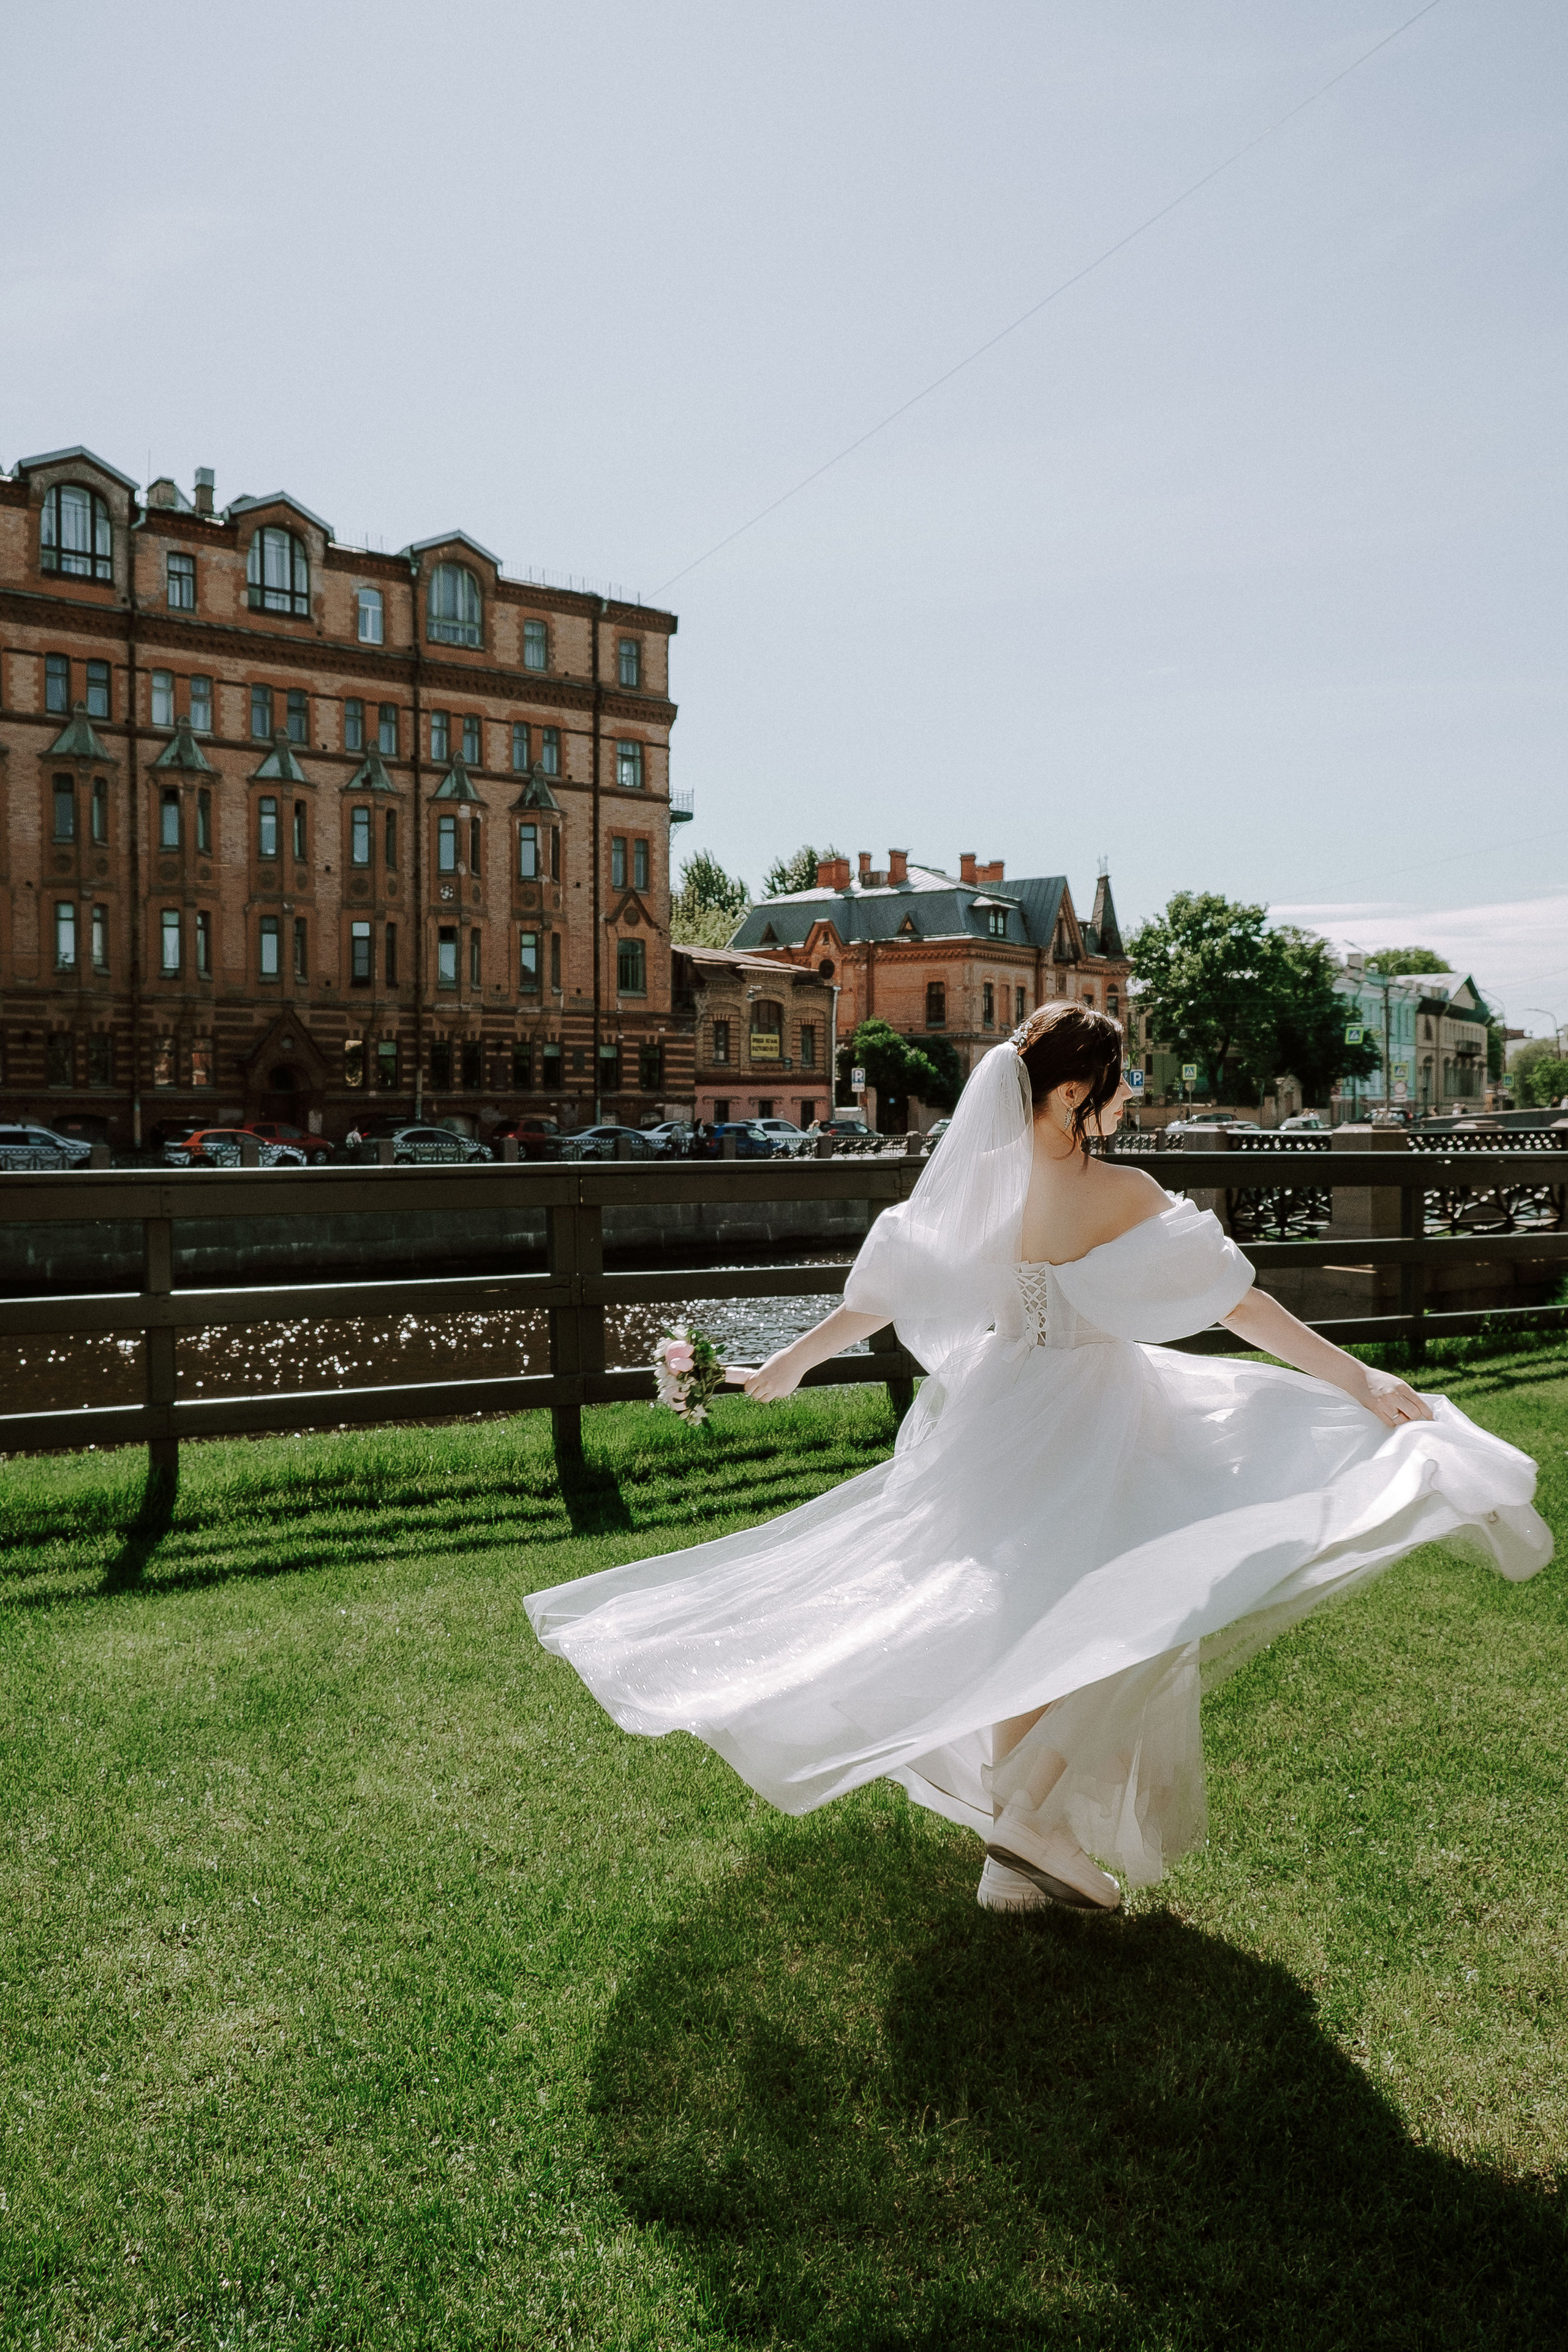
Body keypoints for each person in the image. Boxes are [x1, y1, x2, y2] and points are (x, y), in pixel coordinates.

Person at [526, 1005, 1551, 1915]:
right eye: (1112, 1088)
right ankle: (1028, 1813)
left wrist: (791, 1363)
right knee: (1154, 1602)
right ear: (1070, 1091)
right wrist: (1360, 1383)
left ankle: (1018, 1856)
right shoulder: (1121, 1191)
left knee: (1025, 1610)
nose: (1126, 1103)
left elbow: (879, 1294)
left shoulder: (974, 1185)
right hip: (1096, 1406)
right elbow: (1242, 1305)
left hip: (996, 1406)